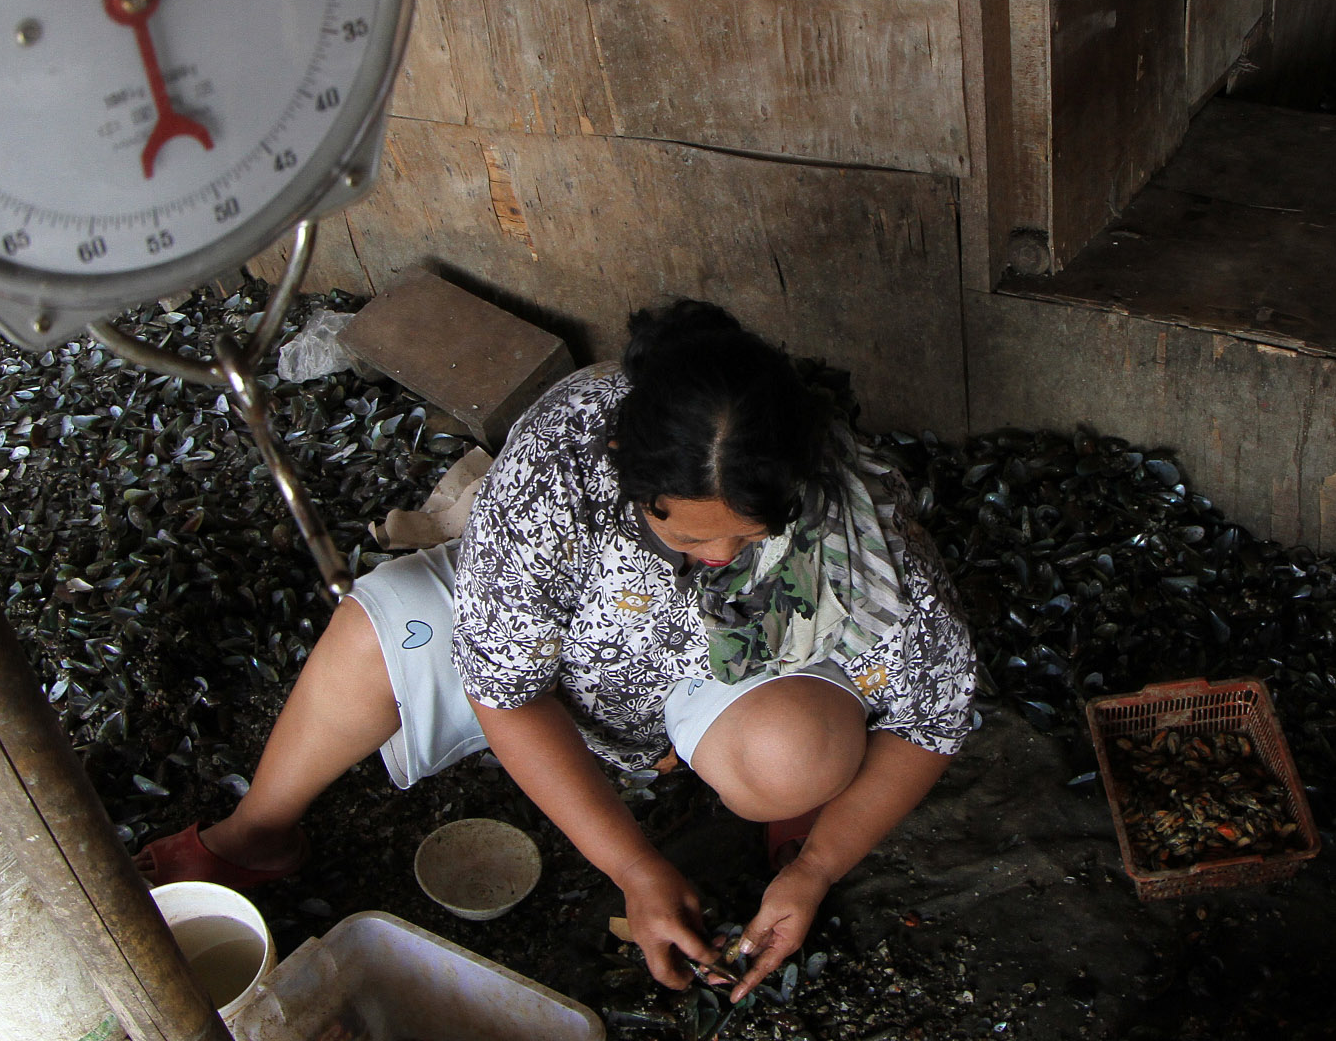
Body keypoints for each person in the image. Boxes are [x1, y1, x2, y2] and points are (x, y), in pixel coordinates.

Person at [136, 300, 977, 997]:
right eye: (688, 537)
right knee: (370, 633)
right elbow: (505, 689)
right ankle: (257, 835)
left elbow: (935, 713)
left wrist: (818, 868)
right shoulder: (562, 459)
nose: (721, 557)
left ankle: (757, 798)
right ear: (622, 468)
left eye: (749, 536)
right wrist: (634, 869)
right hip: (548, 639)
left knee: (798, 755)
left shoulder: (844, 502)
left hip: (719, 668)